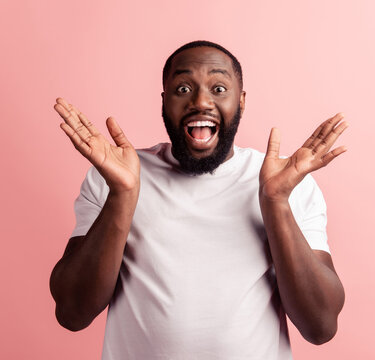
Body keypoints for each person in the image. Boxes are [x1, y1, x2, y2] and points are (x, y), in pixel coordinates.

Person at [50, 40, 347, 360]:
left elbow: (320, 326)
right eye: (182, 89)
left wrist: (276, 202)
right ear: (164, 102)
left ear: (242, 101)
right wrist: (123, 195)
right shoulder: (115, 175)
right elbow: (72, 313)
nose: (201, 101)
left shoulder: (289, 183)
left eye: (219, 88)